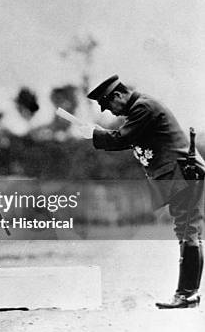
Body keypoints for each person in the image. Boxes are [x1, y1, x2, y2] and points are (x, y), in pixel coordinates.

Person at [81, 74, 205, 309]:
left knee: (188, 230)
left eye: (109, 106)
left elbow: (122, 138)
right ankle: (188, 294)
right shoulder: (141, 108)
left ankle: (187, 294)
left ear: (118, 95)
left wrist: (94, 134)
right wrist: (98, 133)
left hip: (182, 175)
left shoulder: (143, 107)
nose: (111, 112)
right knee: (189, 230)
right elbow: (127, 137)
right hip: (180, 175)